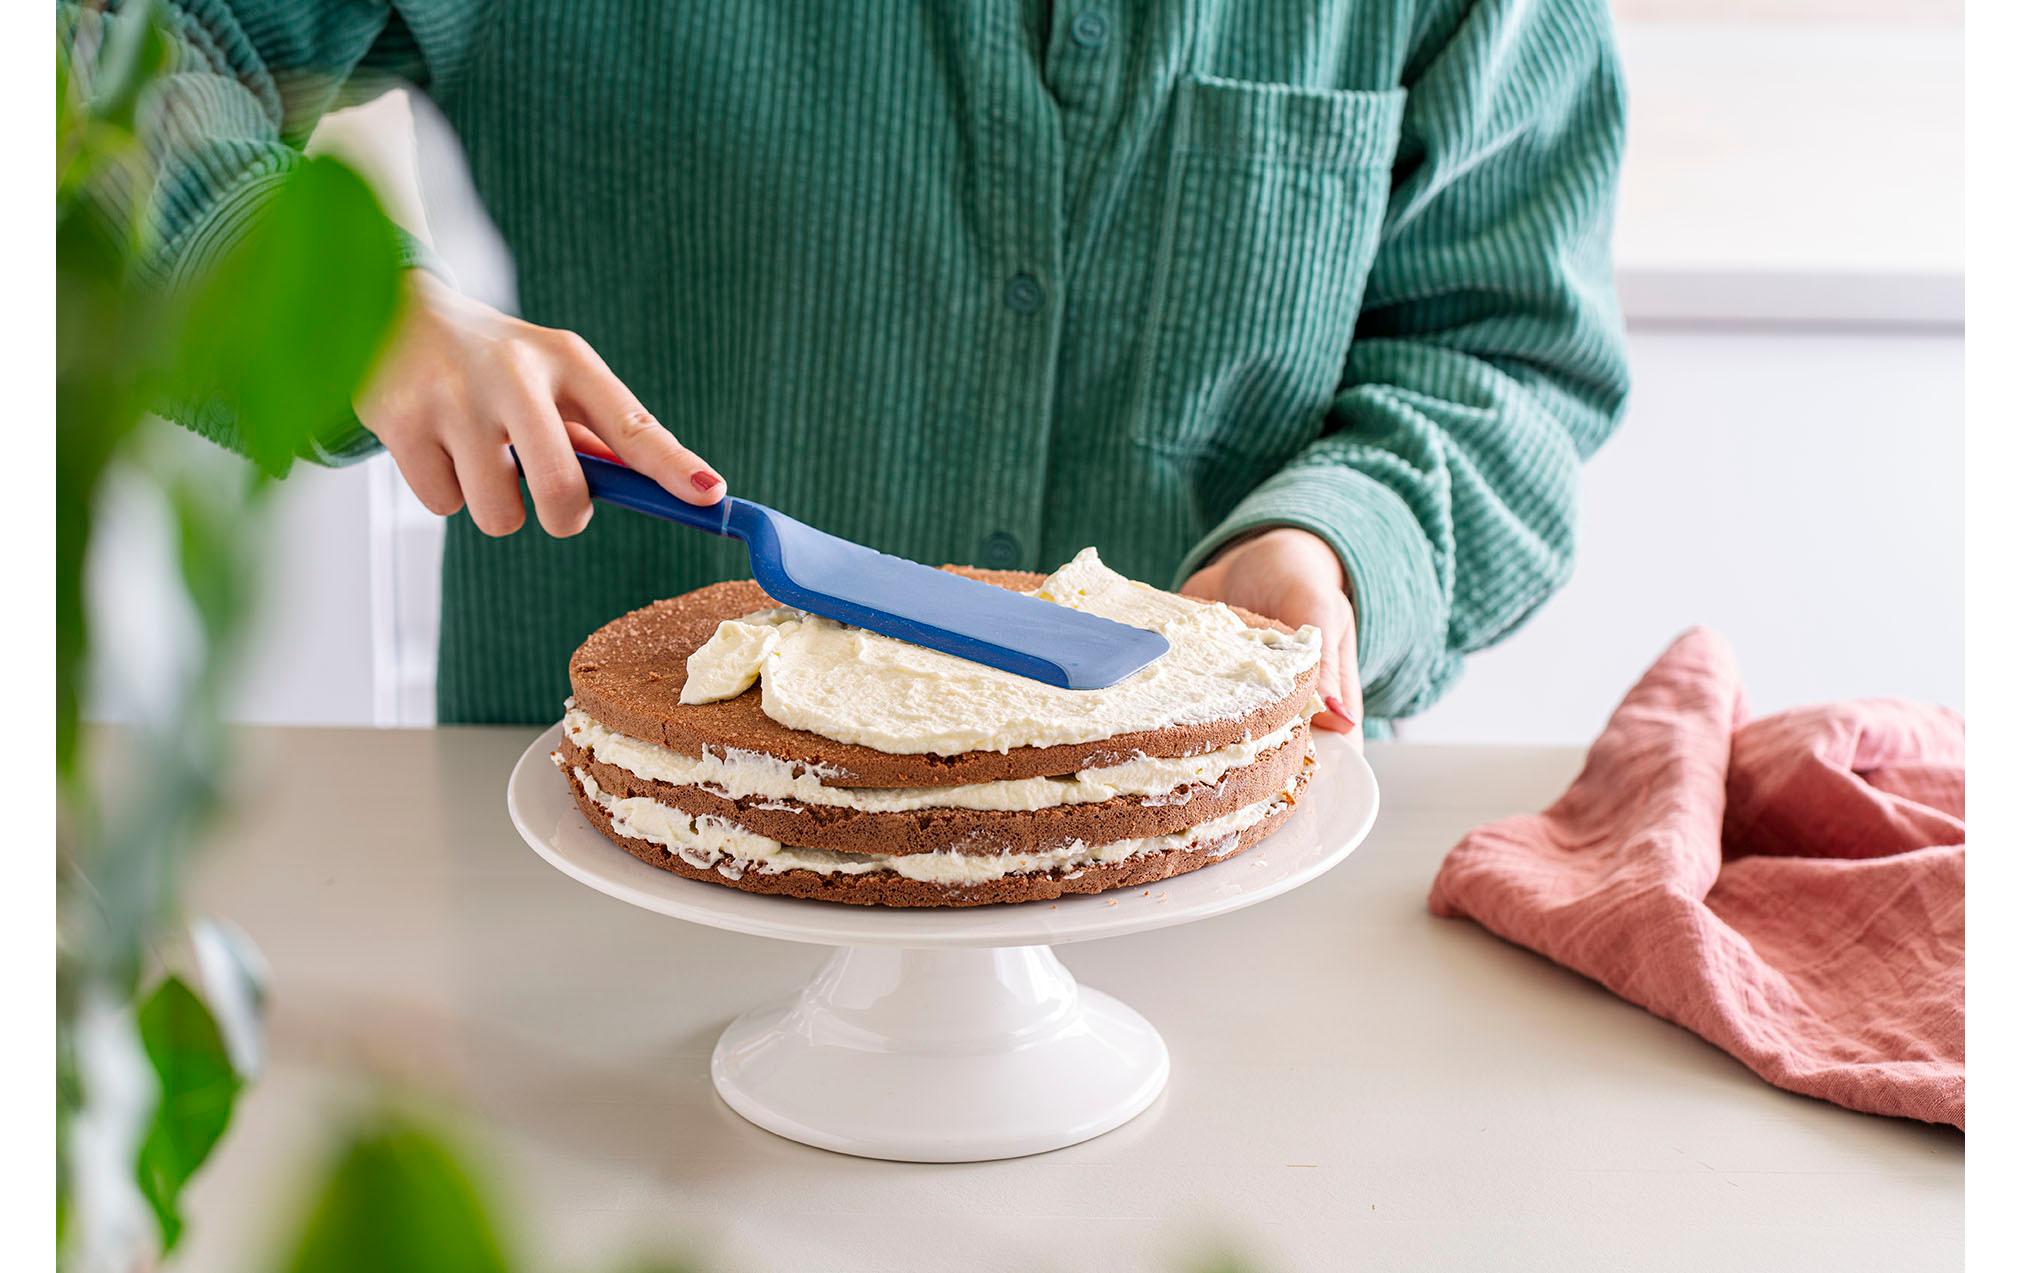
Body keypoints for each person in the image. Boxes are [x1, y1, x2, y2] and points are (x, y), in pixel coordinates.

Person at [76, 0, 1629, 736]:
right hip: (609, 946)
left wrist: (1338, 545)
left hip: (1211, 933)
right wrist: (351, 312)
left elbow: (1501, 345)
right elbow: (94, 76)